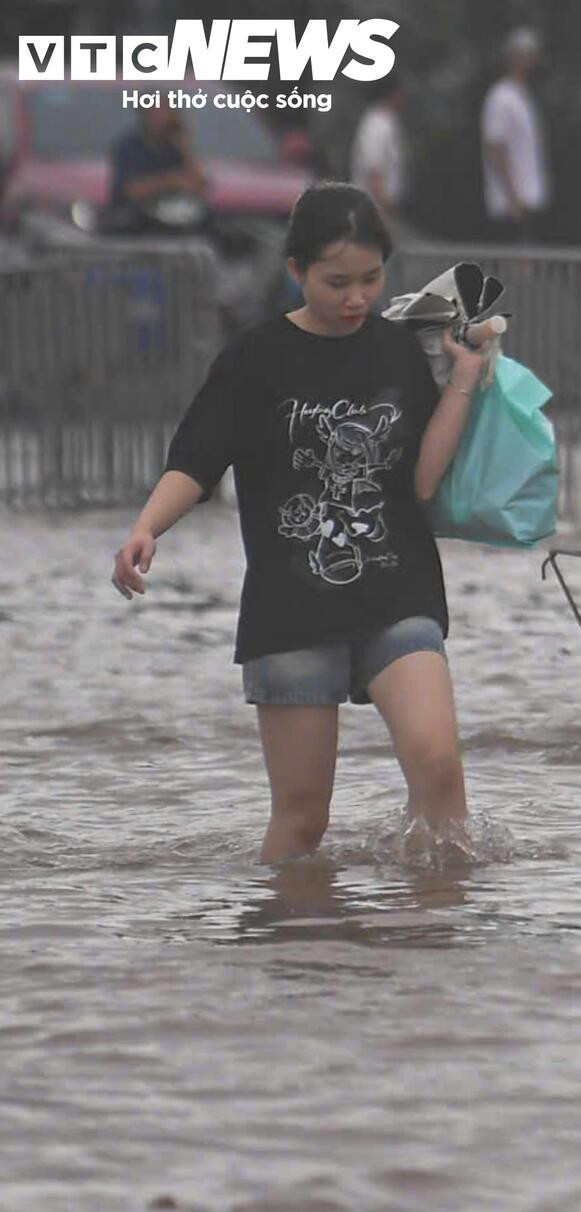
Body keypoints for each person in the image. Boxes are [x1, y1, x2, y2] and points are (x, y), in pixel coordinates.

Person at [110, 183, 495, 862]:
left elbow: (423, 482)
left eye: (371, 279)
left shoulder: (397, 351)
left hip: (396, 590)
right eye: (336, 281)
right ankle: (293, 957)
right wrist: (147, 528)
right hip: (291, 611)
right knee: (302, 819)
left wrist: (463, 380)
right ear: (295, 271)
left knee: (438, 765)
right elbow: (195, 462)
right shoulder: (254, 360)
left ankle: (435, 940)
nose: (356, 298)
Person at [482, 27, 550, 242]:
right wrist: (513, 197)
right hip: (511, 205)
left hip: (529, 199)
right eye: (527, 54)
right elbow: (495, 147)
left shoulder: (524, 97)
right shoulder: (501, 97)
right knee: (515, 268)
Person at [108, 102, 206, 222]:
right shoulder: (129, 147)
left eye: (165, 113)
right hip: (135, 219)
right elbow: (128, 189)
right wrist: (169, 181)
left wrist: (185, 148)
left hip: (175, 218)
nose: (159, 119)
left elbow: (200, 186)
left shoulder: (175, 147)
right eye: (154, 113)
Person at [350, 82, 407, 221]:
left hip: (381, 207)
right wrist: (382, 207)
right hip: (374, 208)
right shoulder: (377, 124)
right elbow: (373, 168)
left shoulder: (389, 122)